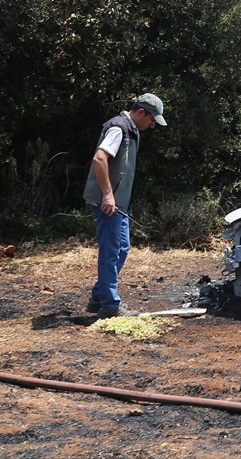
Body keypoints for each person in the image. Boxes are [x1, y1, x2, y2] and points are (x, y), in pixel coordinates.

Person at [83, 93, 167, 317]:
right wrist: (108, 195)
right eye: (152, 119)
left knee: (121, 249)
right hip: (108, 203)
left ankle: (98, 297)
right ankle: (110, 306)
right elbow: (99, 159)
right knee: (110, 252)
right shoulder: (119, 128)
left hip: (118, 203)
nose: (152, 125)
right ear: (141, 112)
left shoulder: (131, 131)